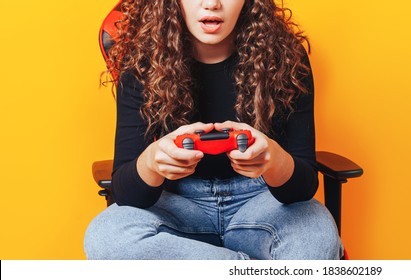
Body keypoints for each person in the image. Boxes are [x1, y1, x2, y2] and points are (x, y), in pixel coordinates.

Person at [84, 0, 342, 260]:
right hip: (178, 206)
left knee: (316, 234)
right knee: (105, 237)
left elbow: (302, 189)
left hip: (263, 203)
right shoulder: (142, 63)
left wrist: (273, 158)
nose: (211, 4)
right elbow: (125, 192)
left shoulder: (286, 57)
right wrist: (151, 163)